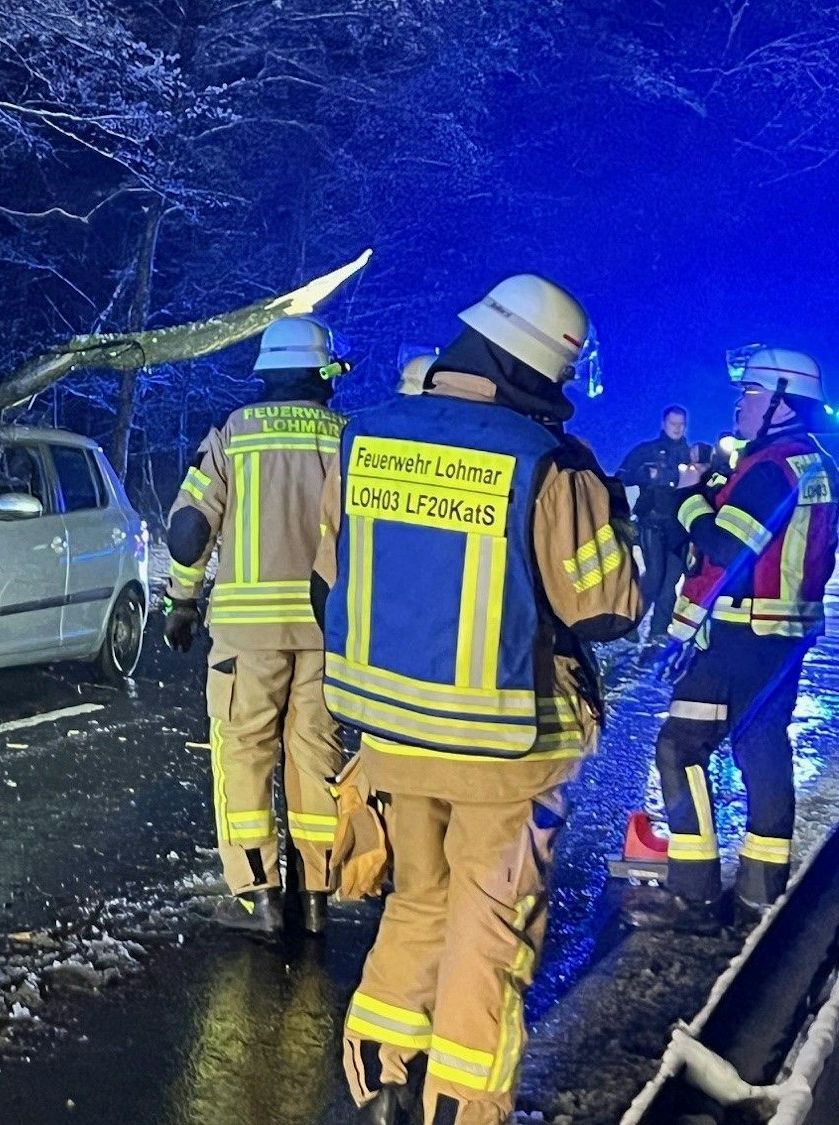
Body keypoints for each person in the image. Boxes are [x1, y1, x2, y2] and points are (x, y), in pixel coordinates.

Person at [317, 275, 640, 1125]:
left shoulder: (367, 438)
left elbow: (330, 578)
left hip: (386, 737)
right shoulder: (547, 464)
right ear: (538, 368)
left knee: (418, 902)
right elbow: (604, 607)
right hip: (508, 747)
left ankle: (384, 1079)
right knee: (489, 928)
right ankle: (461, 1105)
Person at [624, 348, 836, 931]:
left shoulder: (771, 468)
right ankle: (759, 898)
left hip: (741, 638)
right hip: (781, 638)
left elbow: (726, 548)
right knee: (762, 751)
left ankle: (693, 897)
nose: (740, 404)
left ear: (782, 402)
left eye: (749, 394)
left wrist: (691, 497)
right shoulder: (814, 462)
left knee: (681, 746)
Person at [162, 315, 349, 936]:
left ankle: (261, 899)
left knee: (244, 757)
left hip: (245, 637)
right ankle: (318, 896)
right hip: (328, 636)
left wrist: (182, 603)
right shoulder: (347, 439)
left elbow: (189, 529)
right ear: (322, 372)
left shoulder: (233, 435)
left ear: (266, 372)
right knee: (317, 757)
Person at [618, 405, 692, 640]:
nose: (677, 429)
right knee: (654, 578)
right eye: (673, 424)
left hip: (679, 528)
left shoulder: (691, 454)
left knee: (670, 581)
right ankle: (629, 626)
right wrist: (648, 476)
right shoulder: (646, 451)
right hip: (652, 524)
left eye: (681, 424)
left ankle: (658, 633)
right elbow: (622, 476)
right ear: (663, 423)